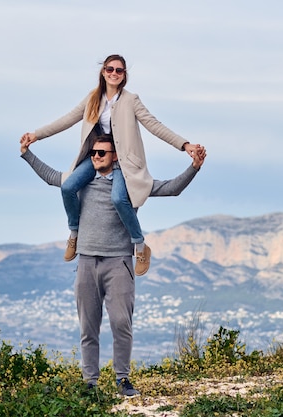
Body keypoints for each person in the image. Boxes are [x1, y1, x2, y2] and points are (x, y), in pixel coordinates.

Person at [20, 135, 206, 396]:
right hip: (86, 262)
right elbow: (52, 177)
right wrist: (27, 154)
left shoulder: (129, 185)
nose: (96, 156)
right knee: (88, 327)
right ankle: (90, 383)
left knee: (121, 324)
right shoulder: (81, 182)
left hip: (119, 263)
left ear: (115, 156)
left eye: (102, 153)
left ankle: (122, 379)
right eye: (94, 152)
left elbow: (171, 188)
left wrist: (194, 167)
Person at [21, 54, 200, 275]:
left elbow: (154, 125)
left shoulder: (131, 100)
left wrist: (184, 145)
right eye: (110, 69)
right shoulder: (92, 99)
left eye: (119, 70)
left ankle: (140, 246)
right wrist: (36, 135)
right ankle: (75, 234)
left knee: (118, 198)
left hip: (123, 162)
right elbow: (66, 120)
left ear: (124, 75)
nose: (114, 73)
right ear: (103, 72)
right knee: (68, 186)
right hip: (97, 155)